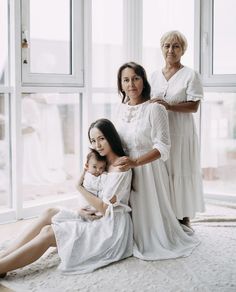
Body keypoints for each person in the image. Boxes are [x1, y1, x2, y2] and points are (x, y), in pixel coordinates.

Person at [0, 119, 133, 276]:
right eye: (93, 140)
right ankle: (4, 256)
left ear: (111, 137)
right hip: (94, 216)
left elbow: (104, 209)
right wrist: (81, 210)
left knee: (49, 232)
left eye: (101, 138)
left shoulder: (121, 167)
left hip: (110, 229)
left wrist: (79, 187)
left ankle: (1, 267)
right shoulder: (99, 162)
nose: (97, 145)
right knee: (50, 212)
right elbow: (95, 196)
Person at [114, 61, 199, 261]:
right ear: (120, 84)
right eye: (125, 80)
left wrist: (135, 162)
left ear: (144, 80)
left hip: (149, 172)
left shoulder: (155, 108)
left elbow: (162, 147)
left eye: (136, 78)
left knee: (152, 229)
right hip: (126, 172)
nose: (131, 84)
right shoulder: (120, 109)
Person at [150, 30, 205, 227]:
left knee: (180, 170)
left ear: (183, 50)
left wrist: (169, 106)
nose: (170, 50)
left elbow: (194, 106)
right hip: (160, 133)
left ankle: (183, 217)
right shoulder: (154, 75)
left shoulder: (190, 75)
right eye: (167, 46)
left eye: (176, 46)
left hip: (182, 133)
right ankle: (165, 214)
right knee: (163, 171)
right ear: (161, 48)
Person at [78, 149, 108, 214]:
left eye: (101, 168)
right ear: (87, 166)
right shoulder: (89, 176)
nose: (98, 170)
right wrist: (104, 175)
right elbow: (99, 186)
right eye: (94, 167)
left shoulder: (94, 175)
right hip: (86, 204)